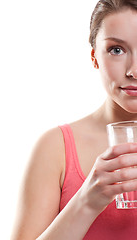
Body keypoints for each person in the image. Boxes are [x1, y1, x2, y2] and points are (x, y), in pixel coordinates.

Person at [11, 0, 137, 239]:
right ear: (94, 56)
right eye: (116, 50)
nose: (134, 71)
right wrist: (87, 201)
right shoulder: (55, 147)